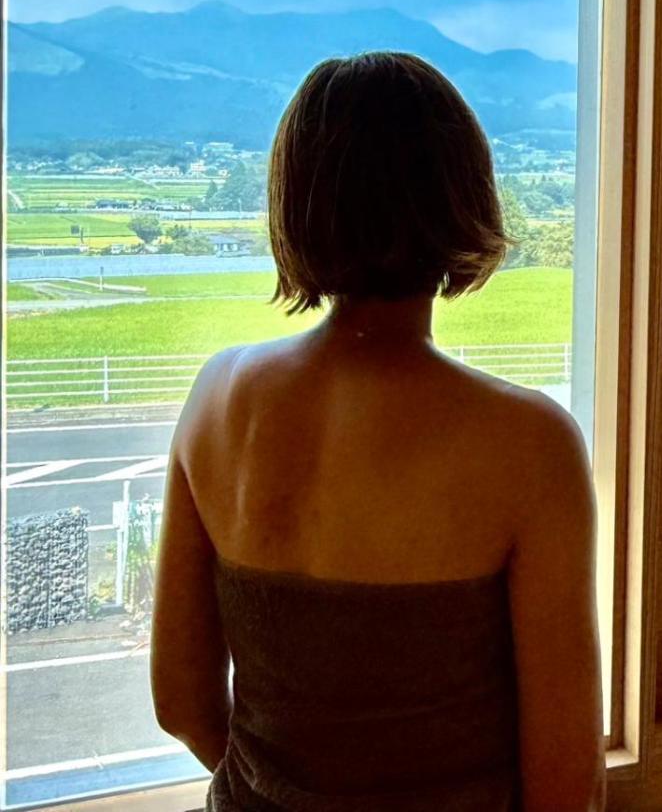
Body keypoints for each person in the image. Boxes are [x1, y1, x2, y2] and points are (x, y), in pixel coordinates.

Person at [151, 52, 605, 812]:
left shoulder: (218, 399)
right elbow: (566, 784)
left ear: (295, 203)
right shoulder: (528, 443)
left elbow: (182, 702)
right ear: (463, 193)